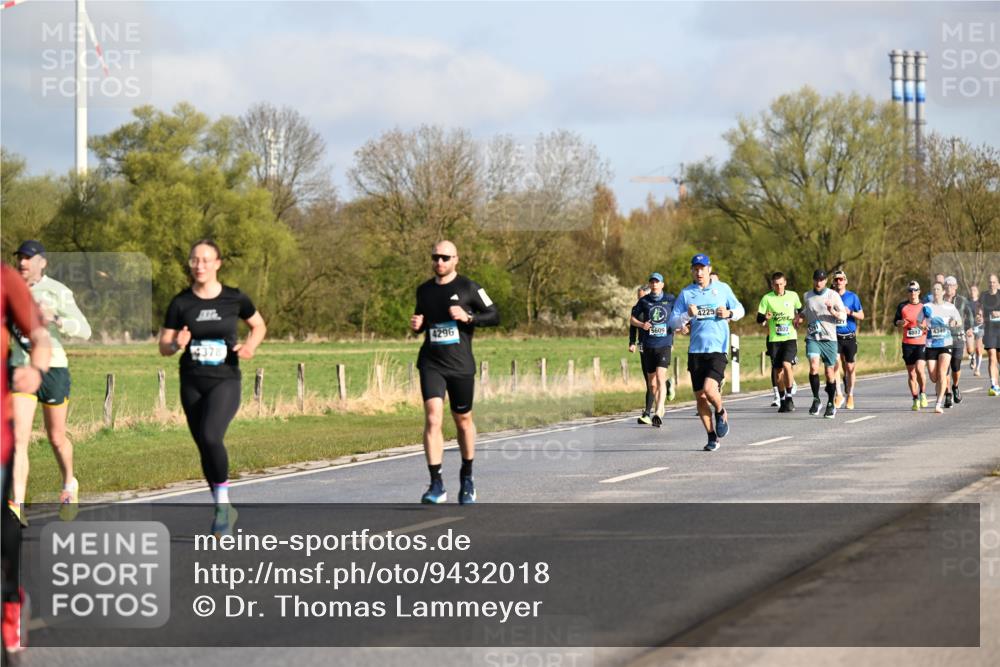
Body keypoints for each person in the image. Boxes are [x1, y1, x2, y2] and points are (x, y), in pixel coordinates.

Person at [159, 240, 266, 535]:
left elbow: (259, 325)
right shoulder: (181, 303)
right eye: (194, 260)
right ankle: (222, 507)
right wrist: (175, 344)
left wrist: (250, 347)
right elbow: (163, 347)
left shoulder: (234, 298)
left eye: (205, 260)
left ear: (217, 263)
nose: (199, 265)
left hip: (225, 380)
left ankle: (222, 505)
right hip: (192, 381)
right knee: (204, 445)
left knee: (210, 434)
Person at [8, 241, 91, 524]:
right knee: (19, 439)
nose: (22, 264)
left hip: (54, 369)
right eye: (19, 259)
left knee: (56, 438)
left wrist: (55, 318)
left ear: (42, 263)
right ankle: (16, 505)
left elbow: (86, 330)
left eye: (28, 259)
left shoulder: (58, 291)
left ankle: (69, 483)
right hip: (21, 368)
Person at [410, 241, 499, 504]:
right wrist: (417, 325)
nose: (439, 262)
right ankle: (436, 484)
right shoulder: (424, 290)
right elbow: (422, 321)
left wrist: (469, 317)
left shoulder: (470, 288)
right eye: (435, 257)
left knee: (463, 420)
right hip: (431, 362)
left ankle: (467, 477)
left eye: (445, 258)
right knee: (433, 417)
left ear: (456, 260)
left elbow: (495, 315)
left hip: (460, 365)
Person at [1, 265, 51, 659]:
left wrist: (36, 369)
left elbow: (39, 336)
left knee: (4, 540)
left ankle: (11, 603)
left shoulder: (5, 279)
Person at [669, 254, 744, 452]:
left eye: (703, 268)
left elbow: (740, 309)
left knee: (710, 390)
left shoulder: (722, 289)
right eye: (696, 269)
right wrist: (687, 315)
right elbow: (672, 322)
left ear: (709, 269)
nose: (699, 272)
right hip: (696, 352)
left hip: (717, 350)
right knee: (700, 398)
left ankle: (720, 411)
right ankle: (712, 437)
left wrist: (729, 314)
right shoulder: (686, 294)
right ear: (692, 271)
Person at [796, 269, 845, 419]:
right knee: (813, 366)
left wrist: (832, 311)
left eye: (822, 280)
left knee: (830, 374)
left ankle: (830, 402)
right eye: (816, 280)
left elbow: (843, 316)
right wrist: (800, 317)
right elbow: (807, 309)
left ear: (825, 281)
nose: (819, 282)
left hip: (829, 339)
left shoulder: (833, 295)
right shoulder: (807, 296)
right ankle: (816, 399)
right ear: (813, 280)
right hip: (813, 337)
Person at [630, 273, 676, 427]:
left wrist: (682, 326)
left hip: (664, 344)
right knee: (652, 383)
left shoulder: (670, 299)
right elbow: (632, 320)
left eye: (657, 282)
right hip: (648, 345)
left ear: (662, 284)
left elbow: (677, 317)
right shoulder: (644, 301)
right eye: (652, 282)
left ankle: (658, 411)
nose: (654, 285)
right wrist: (642, 325)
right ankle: (657, 409)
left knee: (660, 377)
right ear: (649, 285)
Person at [757, 272, 801, 413]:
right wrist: (765, 316)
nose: (779, 287)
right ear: (772, 285)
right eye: (776, 285)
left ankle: (789, 397)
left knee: (787, 365)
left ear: (785, 283)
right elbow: (758, 319)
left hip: (790, 338)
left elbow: (800, 311)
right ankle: (782, 399)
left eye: (781, 284)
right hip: (774, 339)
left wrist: (798, 319)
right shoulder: (767, 298)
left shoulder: (793, 296)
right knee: (777, 371)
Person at [923, 282, 963, 413]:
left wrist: (954, 322)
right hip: (931, 344)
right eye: (934, 289)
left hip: (946, 343)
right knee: (934, 377)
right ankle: (941, 391)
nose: (936, 291)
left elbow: (959, 321)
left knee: (942, 373)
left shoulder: (950, 307)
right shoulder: (926, 306)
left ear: (943, 292)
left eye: (938, 289)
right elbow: (918, 322)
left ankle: (939, 403)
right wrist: (922, 326)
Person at [831, 270, 864, 410]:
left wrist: (850, 312)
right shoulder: (830, 296)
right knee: (835, 364)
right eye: (836, 280)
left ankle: (850, 395)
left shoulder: (852, 297)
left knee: (850, 367)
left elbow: (862, 316)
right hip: (835, 336)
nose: (839, 282)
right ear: (833, 282)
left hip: (849, 336)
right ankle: (839, 394)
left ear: (846, 281)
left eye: (841, 279)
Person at [895, 281, 929, 411]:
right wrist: (901, 323)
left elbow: (932, 322)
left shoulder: (925, 306)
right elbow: (896, 321)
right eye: (910, 290)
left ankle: (923, 393)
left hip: (921, 343)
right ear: (907, 293)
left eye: (915, 290)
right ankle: (915, 398)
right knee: (911, 374)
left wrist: (925, 327)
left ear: (919, 292)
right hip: (907, 344)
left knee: (920, 369)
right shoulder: (902, 306)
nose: (913, 293)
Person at [943, 276, 974, 408]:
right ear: (944, 287)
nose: (949, 287)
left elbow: (970, 314)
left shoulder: (962, 301)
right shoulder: (939, 301)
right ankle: (948, 395)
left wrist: (970, 327)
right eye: (947, 285)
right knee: (944, 368)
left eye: (952, 285)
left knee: (955, 366)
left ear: (956, 287)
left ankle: (955, 386)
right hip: (942, 338)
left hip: (958, 337)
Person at [629, 285, 655, 424]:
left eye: (642, 297)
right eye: (638, 297)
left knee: (656, 379)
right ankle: (647, 413)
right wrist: (632, 342)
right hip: (643, 345)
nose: (640, 300)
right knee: (649, 380)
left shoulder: (656, 307)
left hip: (658, 344)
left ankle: (647, 412)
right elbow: (632, 326)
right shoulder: (636, 308)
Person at [981, 273, 1000, 395]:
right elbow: (979, 310)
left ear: (997, 283)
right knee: (992, 357)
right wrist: (979, 317)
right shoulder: (984, 296)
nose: (991, 284)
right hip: (990, 330)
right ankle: (994, 385)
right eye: (990, 282)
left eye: (993, 282)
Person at [968, 284, 984, 377]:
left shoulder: (981, 302)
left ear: (977, 292)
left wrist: (982, 318)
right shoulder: (967, 303)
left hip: (980, 327)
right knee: (970, 349)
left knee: (978, 348)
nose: (972, 292)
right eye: (971, 290)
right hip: (970, 327)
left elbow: (985, 314)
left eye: (974, 290)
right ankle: (972, 356)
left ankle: (977, 369)